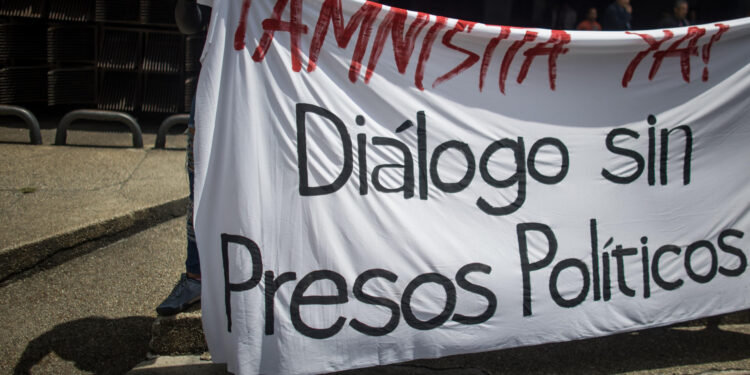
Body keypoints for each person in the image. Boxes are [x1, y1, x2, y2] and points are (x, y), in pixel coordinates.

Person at [156, 0, 210, 316]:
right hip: (221, 87)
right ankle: (197, 278)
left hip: (290, 90)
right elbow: (191, 22)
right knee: (201, 184)